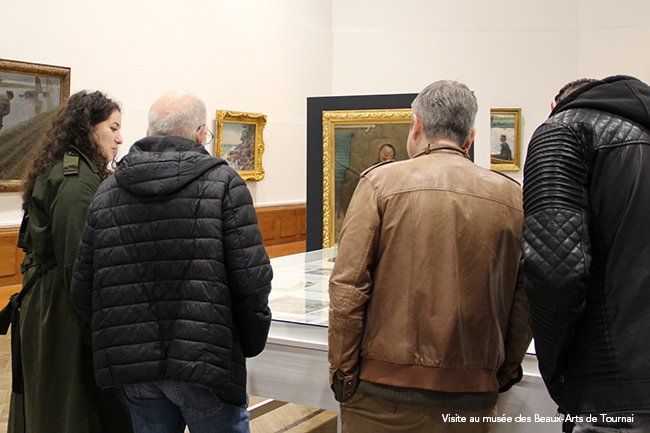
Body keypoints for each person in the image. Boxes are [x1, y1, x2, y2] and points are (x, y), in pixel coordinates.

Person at [328, 80, 531, 433]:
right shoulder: (513, 197)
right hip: (471, 398)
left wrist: (343, 374)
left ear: (417, 126)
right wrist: (502, 371)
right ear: (470, 137)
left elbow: (348, 286)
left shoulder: (379, 184)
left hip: (383, 395)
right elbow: (524, 299)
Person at [71, 90, 272, 433]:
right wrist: (248, 345)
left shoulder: (107, 192)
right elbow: (251, 283)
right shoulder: (224, 185)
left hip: (134, 367)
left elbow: (83, 289)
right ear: (198, 134)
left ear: (149, 134)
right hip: (207, 363)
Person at [522, 75, 650, 432]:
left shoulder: (564, 130)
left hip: (612, 391)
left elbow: (554, 271)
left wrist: (555, 367)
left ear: (553, 105)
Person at [3, 90, 132, 432]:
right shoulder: (76, 180)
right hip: (61, 309)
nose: (120, 138)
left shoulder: (72, 167)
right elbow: (78, 265)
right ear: (89, 128)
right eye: (113, 127)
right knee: (66, 407)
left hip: (52, 302)